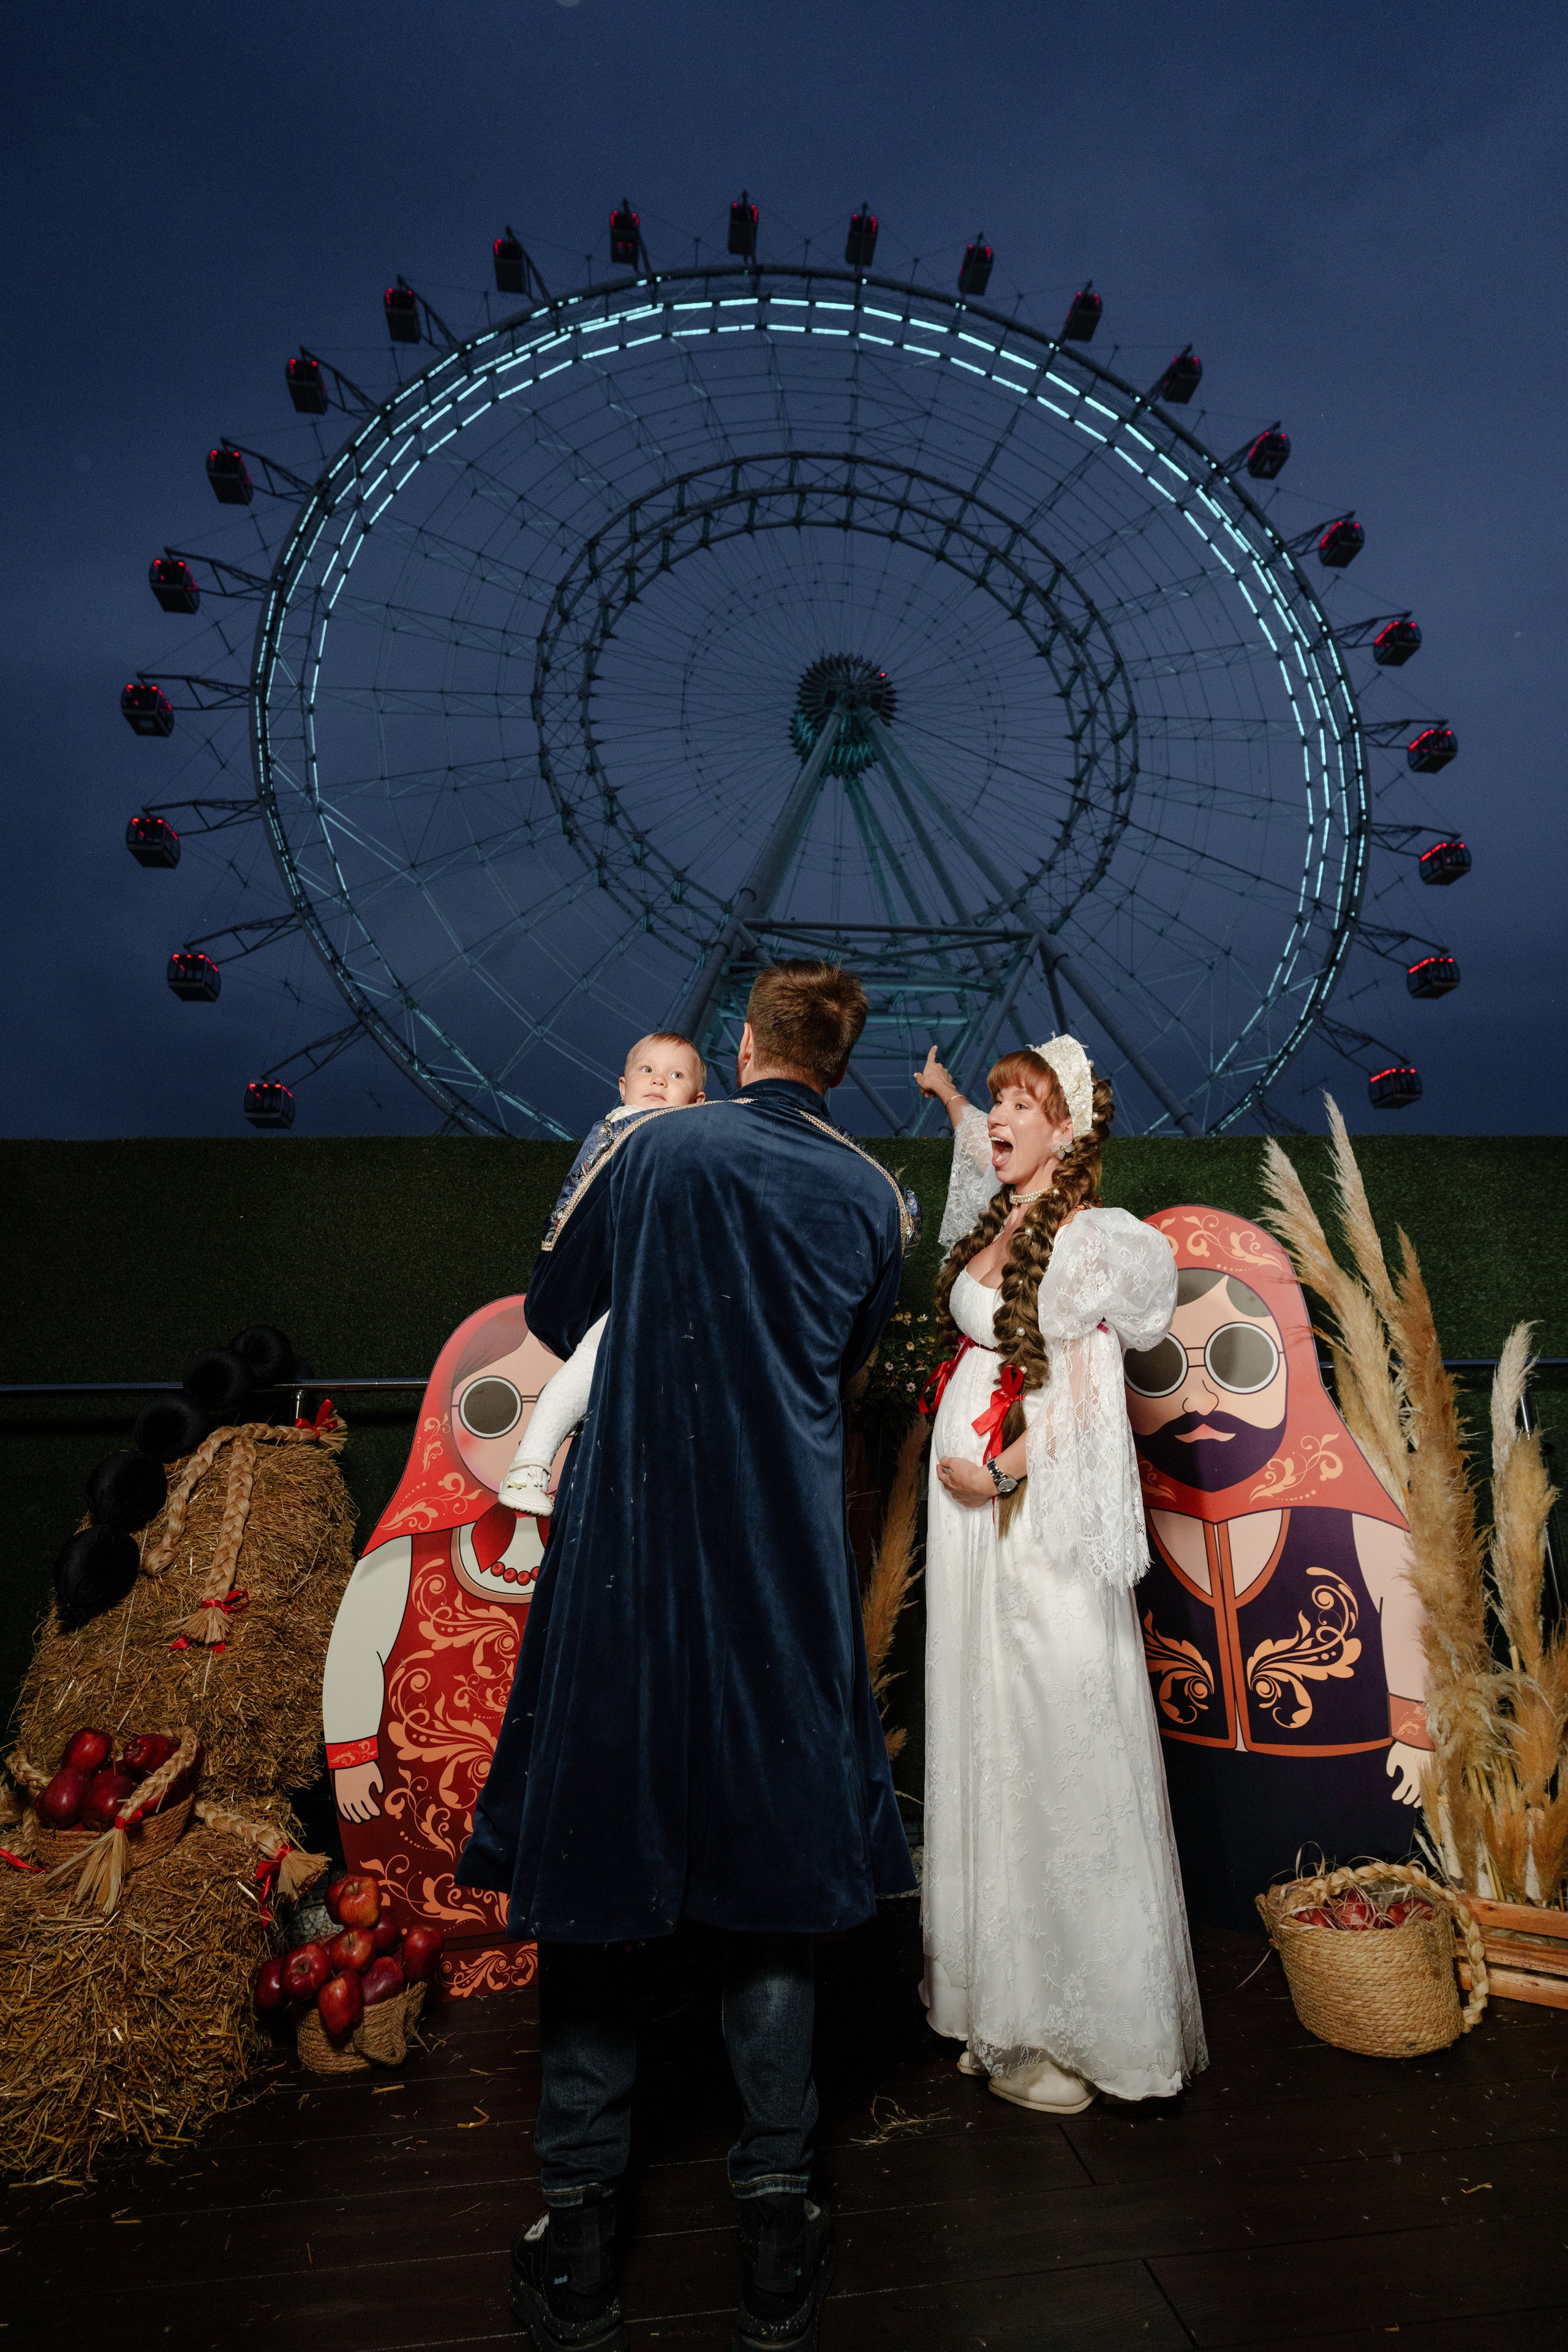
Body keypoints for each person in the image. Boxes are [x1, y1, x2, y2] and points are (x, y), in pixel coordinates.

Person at [458, 962, 917, 2352]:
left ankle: (581, 2232)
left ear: (743, 1042)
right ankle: (777, 2215)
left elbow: (554, 1311)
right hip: (780, 1581)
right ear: (840, 1061)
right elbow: (836, 1368)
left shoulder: (653, 1147)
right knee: (769, 1901)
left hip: (629, 1565)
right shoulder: (870, 1198)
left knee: (598, 1890)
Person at [914, 1039, 1207, 2115]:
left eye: (1019, 1105)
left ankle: (1080, 2021)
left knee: (1051, 1732)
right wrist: (951, 1102)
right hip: (972, 1526)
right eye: (995, 1101)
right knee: (988, 1730)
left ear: (1067, 1131)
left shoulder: (1086, 1243)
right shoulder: (997, 1225)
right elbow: (968, 1173)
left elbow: (1084, 1397)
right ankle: (1000, 2002)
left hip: (1029, 1513)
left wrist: (999, 1473)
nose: (998, 1118)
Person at [1129, 1204, 1431, 1931]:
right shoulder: (1125, 1516)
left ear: (1287, 1361)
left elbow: (1402, 1606)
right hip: (1189, 1796)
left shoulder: (1348, 1515)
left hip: (1342, 1789)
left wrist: (1415, 1730)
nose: (1198, 1398)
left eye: (1238, 1358)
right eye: (1159, 1364)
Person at [323, 1295, 567, 1996]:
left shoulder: (604, 1547)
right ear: (446, 1416)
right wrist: (351, 1756)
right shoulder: (408, 1552)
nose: (530, 1432)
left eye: (561, 1409)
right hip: (422, 1813)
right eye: (495, 1407)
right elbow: (356, 1651)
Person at [541, 1031, 707, 1251]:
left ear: (697, 1101)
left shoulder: (694, 1144)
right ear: (624, 1087)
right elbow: (576, 1190)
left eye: (677, 1075)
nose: (659, 1080)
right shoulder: (613, 1127)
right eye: (647, 1070)